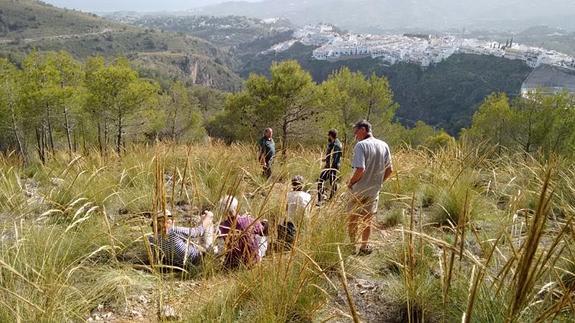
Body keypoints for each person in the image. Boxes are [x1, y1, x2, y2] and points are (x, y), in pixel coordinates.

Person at [347, 120, 393, 255]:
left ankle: (351, 246)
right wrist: (379, 182)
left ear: (363, 129)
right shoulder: (384, 145)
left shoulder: (360, 146)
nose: (355, 134)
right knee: (368, 219)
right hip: (374, 190)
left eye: (356, 131)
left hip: (359, 189)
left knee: (353, 218)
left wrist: (351, 183)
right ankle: (364, 246)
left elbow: (360, 169)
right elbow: (390, 169)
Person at [147, 210, 214, 269]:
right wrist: (208, 217)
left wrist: (202, 221)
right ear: (165, 221)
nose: (173, 220)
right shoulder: (173, 231)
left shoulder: (151, 239)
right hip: (196, 259)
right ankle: (210, 249)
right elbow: (197, 232)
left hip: (177, 265)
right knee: (209, 223)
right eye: (170, 218)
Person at [218, 195, 267, 269]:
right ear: (235, 207)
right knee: (263, 228)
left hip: (234, 263)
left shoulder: (222, 227)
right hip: (252, 261)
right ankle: (261, 255)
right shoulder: (248, 220)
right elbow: (261, 230)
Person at [278, 175, 312, 249]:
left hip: (289, 224)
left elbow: (285, 210)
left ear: (292, 185)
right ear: (302, 185)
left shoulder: (288, 195)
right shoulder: (308, 196)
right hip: (302, 223)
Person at [317, 129, 343, 204]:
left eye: (328, 135)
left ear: (331, 135)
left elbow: (335, 158)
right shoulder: (333, 143)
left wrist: (330, 168)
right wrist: (326, 159)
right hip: (331, 167)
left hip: (332, 167)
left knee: (321, 181)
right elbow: (332, 155)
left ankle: (322, 200)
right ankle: (329, 200)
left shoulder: (337, 145)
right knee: (332, 183)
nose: (328, 137)